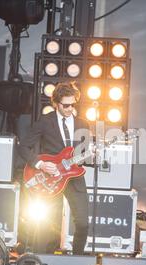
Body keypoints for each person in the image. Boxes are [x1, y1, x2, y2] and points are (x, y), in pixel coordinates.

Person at [18, 82, 90, 255]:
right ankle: (45, 263)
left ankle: (77, 259)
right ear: (56, 103)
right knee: (49, 227)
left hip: (74, 178)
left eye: (73, 104)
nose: (70, 108)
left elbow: (85, 154)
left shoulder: (83, 124)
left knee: (82, 224)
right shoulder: (45, 122)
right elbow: (22, 147)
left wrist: (90, 155)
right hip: (50, 180)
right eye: (65, 105)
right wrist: (41, 164)